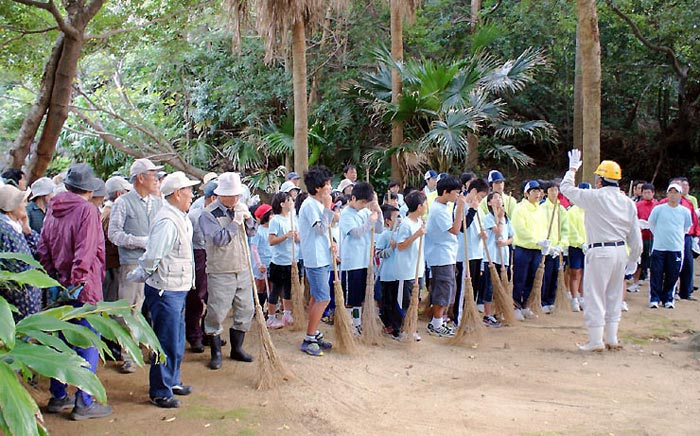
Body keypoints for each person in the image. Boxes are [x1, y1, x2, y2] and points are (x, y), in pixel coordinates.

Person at [38, 163, 112, 420]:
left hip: (59, 286)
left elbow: (43, 247)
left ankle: (58, 396)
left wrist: (56, 279)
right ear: (89, 190)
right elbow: (86, 251)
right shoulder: (87, 211)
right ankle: (84, 400)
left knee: (60, 341)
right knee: (87, 341)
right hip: (84, 289)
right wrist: (77, 282)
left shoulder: (52, 208)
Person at [128, 172, 199, 408]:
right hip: (165, 289)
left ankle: (172, 380)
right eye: (189, 190)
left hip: (177, 287)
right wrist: (143, 273)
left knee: (176, 338)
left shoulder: (179, 217)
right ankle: (160, 390)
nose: (192, 194)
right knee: (165, 340)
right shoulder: (168, 221)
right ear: (177, 193)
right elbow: (154, 255)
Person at [560, 151, 642, 351]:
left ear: (599, 180)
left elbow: (566, 188)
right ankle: (612, 338)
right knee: (614, 294)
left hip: (600, 250)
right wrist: (634, 257)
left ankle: (596, 340)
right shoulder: (628, 202)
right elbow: (635, 234)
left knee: (595, 294)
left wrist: (572, 169)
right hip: (620, 250)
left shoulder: (595, 198)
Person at [108, 158, 164, 373]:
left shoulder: (158, 202)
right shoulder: (123, 202)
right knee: (130, 310)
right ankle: (128, 354)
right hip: (132, 264)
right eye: (153, 175)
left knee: (155, 308)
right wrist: (140, 241)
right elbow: (114, 234)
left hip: (156, 263)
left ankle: (152, 348)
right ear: (140, 178)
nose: (157, 179)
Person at [199, 172, 256, 369]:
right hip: (221, 270)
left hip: (242, 267)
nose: (235, 199)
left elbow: (253, 232)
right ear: (220, 194)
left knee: (246, 308)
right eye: (231, 195)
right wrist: (235, 222)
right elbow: (219, 240)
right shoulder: (208, 214)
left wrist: (248, 219)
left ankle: (237, 348)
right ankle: (216, 353)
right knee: (217, 311)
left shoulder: (240, 208)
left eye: (237, 195)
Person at [298, 166, 336, 356]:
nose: (330, 187)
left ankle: (313, 333)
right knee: (324, 298)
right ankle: (309, 337)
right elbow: (320, 229)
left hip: (322, 256)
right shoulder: (310, 205)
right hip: (315, 259)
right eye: (327, 184)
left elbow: (325, 232)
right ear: (318, 187)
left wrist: (332, 243)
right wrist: (328, 208)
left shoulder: (317, 204)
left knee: (316, 297)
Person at [425, 175, 466, 337]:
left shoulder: (444, 206)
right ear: (446, 192)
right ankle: (436, 323)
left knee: (448, 287)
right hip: (440, 255)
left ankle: (439, 320)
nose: (458, 196)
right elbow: (455, 230)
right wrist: (460, 210)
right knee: (443, 287)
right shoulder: (438, 210)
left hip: (447, 254)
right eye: (456, 192)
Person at [339, 182, 383, 333]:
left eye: (366, 203)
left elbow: (379, 229)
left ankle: (357, 322)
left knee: (361, 296)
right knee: (351, 297)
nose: (364, 205)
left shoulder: (365, 211)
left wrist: (378, 212)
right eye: (362, 202)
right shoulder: (345, 214)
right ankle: (350, 322)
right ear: (353, 198)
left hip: (365, 261)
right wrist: (369, 222)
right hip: (352, 262)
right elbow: (355, 233)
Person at [647, 183, 692, 309]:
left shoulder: (685, 212)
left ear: (680, 195)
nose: (673, 195)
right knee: (656, 273)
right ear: (667, 194)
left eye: (676, 192)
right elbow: (651, 224)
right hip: (659, 247)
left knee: (672, 274)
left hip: (676, 248)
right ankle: (654, 298)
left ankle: (668, 298)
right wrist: (659, 236)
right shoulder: (658, 209)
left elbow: (686, 228)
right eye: (670, 192)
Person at [185, 180, 217, 353]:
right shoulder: (194, 215)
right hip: (198, 255)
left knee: (213, 296)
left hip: (215, 257)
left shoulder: (221, 214)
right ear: (212, 198)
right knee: (197, 296)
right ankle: (193, 334)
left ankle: (208, 331)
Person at [0, 184, 40, 320]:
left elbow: (37, 249)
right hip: (18, 297)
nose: (25, 205)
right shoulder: (4, 229)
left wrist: (27, 229)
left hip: (27, 296)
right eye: (22, 202)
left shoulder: (15, 226)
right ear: (12, 207)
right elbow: (16, 264)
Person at [392, 191, 427, 339]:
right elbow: (400, 246)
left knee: (414, 299)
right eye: (425, 204)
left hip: (417, 268)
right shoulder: (406, 224)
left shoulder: (420, 222)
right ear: (419, 207)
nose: (426, 207)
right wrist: (416, 235)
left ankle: (411, 328)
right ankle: (401, 330)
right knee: (404, 300)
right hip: (406, 269)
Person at [510, 180, 547, 321]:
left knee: (532, 279)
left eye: (539, 191)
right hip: (523, 248)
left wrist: (544, 242)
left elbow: (543, 228)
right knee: (520, 278)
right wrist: (535, 240)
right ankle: (516, 306)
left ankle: (526, 306)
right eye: (534, 191)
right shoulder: (520, 208)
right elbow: (520, 229)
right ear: (526, 193)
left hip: (537, 250)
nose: (537, 194)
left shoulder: (540, 209)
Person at [659, 177, 700, 300]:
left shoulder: (688, 203)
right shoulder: (662, 204)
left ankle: (686, 291)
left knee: (687, 263)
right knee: (670, 264)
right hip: (668, 237)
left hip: (685, 236)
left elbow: (693, 221)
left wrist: (695, 235)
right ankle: (671, 290)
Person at [455, 177, 488, 324]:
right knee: (463, 288)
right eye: (481, 196)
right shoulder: (461, 206)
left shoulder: (477, 208)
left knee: (473, 288)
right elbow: (462, 227)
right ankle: (459, 318)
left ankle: (469, 316)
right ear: (474, 191)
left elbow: (475, 227)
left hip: (477, 252)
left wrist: (482, 234)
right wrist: (473, 210)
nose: (481, 200)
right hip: (464, 254)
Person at [267, 192, 300, 328]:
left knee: (289, 288)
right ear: (282, 204)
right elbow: (271, 240)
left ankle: (287, 313)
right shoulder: (275, 220)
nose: (292, 201)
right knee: (276, 289)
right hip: (279, 261)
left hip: (292, 260)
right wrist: (286, 236)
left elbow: (298, 238)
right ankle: (271, 317)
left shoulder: (293, 218)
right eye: (289, 200)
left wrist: (296, 237)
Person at [480, 192, 513, 326]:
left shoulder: (507, 218)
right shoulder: (489, 218)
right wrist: (498, 218)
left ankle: (498, 311)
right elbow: (498, 232)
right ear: (489, 203)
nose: (499, 200)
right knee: (489, 286)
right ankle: (487, 315)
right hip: (490, 257)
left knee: (502, 285)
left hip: (503, 257)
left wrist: (505, 243)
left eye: (500, 198)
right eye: (495, 198)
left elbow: (511, 236)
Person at [539, 180, 569, 314]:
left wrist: (561, 246)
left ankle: (551, 300)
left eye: (556, 190)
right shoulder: (542, 208)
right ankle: (543, 300)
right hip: (547, 248)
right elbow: (540, 228)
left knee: (555, 275)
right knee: (545, 274)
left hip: (557, 248)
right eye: (551, 190)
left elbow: (565, 229)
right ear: (546, 192)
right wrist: (547, 245)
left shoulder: (561, 209)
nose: (554, 192)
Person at [629, 183, 656, 292]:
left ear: (653, 193)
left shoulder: (657, 206)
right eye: (645, 192)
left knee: (653, 260)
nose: (647, 194)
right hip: (640, 236)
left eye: (649, 192)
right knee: (638, 259)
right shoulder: (638, 205)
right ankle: (635, 282)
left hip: (653, 237)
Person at [566, 183, 589, 312]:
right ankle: (574, 297)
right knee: (575, 272)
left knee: (586, 273)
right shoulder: (572, 211)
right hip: (576, 246)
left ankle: (583, 297)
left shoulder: (591, 211)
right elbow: (572, 230)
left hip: (589, 246)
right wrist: (581, 243)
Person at [250, 203, 273, 323]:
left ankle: (267, 309)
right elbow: (254, 248)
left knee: (270, 285)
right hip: (261, 263)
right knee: (260, 286)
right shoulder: (258, 231)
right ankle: (257, 307)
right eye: (271, 214)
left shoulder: (272, 230)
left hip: (271, 261)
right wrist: (259, 264)